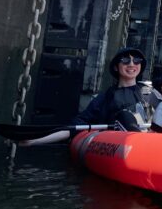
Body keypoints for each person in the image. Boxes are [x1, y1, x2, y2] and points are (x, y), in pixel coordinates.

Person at [20, 47, 150, 145]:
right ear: (116, 67)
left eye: (136, 60)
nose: (132, 64)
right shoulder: (105, 98)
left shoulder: (149, 93)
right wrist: (34, 141)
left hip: (151, 141)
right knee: (125, 116)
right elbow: (76, 126)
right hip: (121, 142)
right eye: (125, 60)